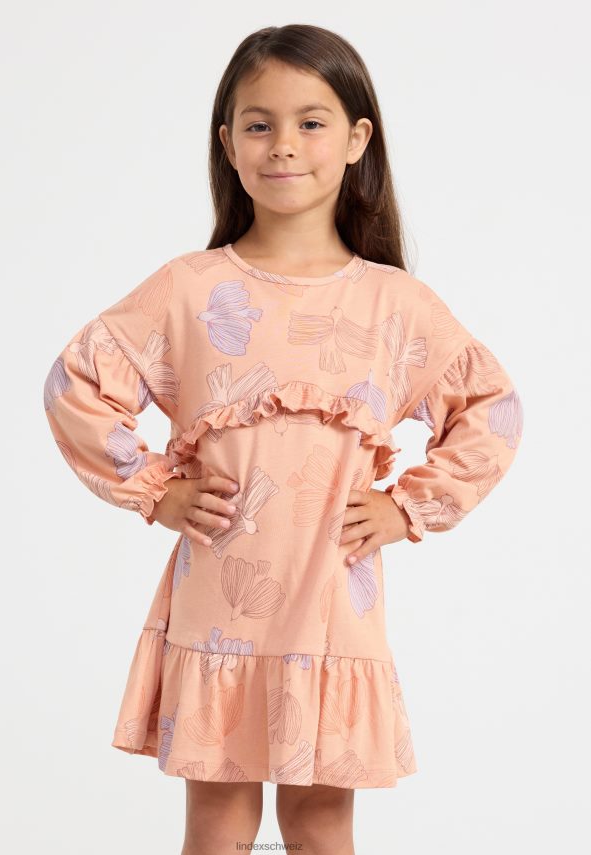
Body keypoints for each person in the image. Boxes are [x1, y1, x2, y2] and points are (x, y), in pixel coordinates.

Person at [43, 23, 523, 855]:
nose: (284, 145)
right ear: (227, 142)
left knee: (320, 823)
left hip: (332, 605)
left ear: (356, 139)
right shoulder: (189, 289)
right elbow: (75, 385)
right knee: (218, 823)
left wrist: (409, 507)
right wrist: (155, 490)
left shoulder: (394, 304)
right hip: (219, 599)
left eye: (310, 122)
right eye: (259, 124)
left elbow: (491, 408)